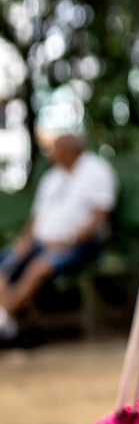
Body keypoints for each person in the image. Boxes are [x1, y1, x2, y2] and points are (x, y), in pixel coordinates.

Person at [0, 130, 117, 342]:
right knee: (8, 262)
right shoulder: (51, 177)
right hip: (41, 242)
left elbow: (99, 217)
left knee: (39, 267)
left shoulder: (97, 171)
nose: (50, 153)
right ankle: (6, 318)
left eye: (54, 148)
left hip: (81, 245)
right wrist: (24, 241)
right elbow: (36, 218)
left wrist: (70, 240)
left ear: (70, 150)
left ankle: (5, 319)